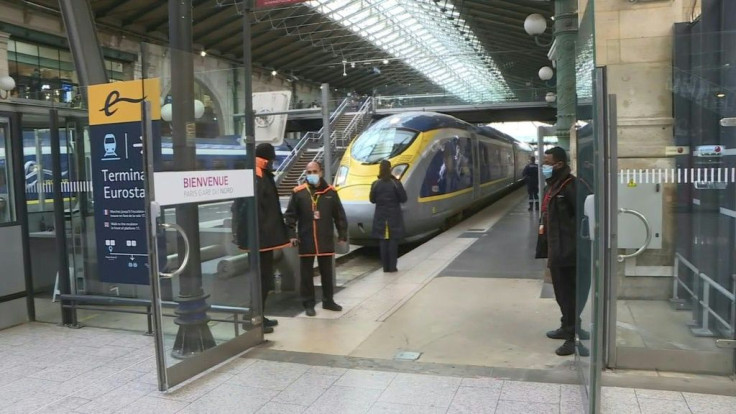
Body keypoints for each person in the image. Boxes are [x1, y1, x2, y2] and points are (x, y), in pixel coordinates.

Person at [233, 143, 290, 334]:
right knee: (261, 280)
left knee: (263, 279)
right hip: (259, 240)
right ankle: (253, 317)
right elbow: (253, 210)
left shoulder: (259, 174)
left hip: (261, 239)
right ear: (266, 159)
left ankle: (259, 314)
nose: (273, 163)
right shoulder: (256, 176)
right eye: (272, 159)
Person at [284, 161, 348, 316]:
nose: (311, 174)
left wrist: (342, 235)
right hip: (306, 239)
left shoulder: (331, 192)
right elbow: (290, 216)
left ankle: (328, 301)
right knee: (306, 274)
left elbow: (339, 215)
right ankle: (308, 303)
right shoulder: (298, 192)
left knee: (327, 272)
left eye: (314, 171)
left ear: (321, 172)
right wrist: (291, 235)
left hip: (325, 238)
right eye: (309, 172)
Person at [541, 146, 581, 356]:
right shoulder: (555, 185)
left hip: (568, 252)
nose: (544, 167)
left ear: (560, 164)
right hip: (558, 249)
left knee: (568, 295)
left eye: (547, 163)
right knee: (562, 294)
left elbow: (582, 218)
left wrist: (571, 246)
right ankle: (567, 327)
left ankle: (572, 338)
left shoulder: (570, 186)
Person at [369, 160, 408, 272]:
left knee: (383, 241)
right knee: (393, 241)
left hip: (381, 216)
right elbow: (403, 198)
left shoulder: (375, 184)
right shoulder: (395, 183)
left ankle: (385, 267)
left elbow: (372, 200)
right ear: (390, 168)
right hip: (393, 216)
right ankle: (392, 267)